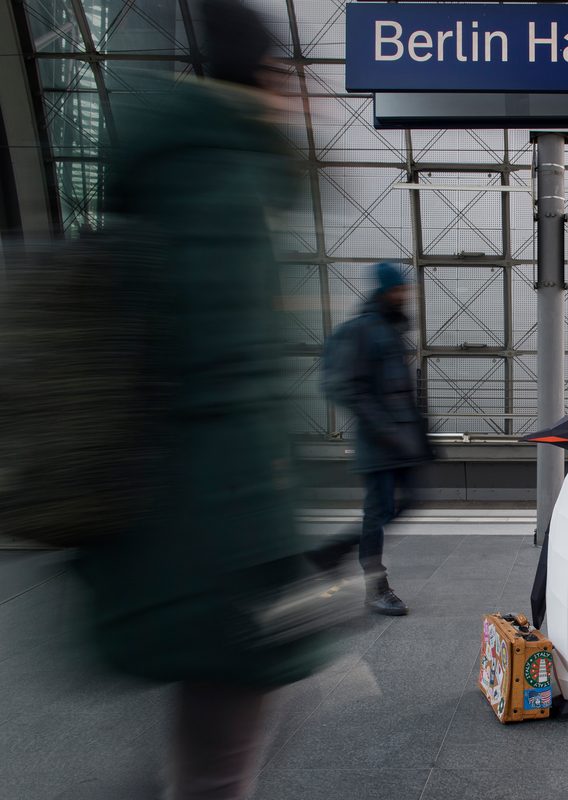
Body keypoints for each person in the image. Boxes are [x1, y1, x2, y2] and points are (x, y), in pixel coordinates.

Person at [72, 1, 330, 798]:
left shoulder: (176, 171)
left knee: (210, 748)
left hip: (160, 518)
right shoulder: (223, 183)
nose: (305, 96)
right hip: (213, 532)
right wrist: (273, 558)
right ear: (261, 78)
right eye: (291, 76)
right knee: (223, 759)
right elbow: (230, 387)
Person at [322, 261, 435, 616]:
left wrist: (420, 437)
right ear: (383, 292)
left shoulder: (390, 330)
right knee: (378, 512)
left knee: (409, 502)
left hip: (400, 443)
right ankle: (375, 586)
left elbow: (401, 393)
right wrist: (385, 428)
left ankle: (335, 550)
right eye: (398, 290)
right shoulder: (360, 331)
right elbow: (343, 386)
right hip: (379, 443)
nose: (404, 296)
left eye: (405, 290)